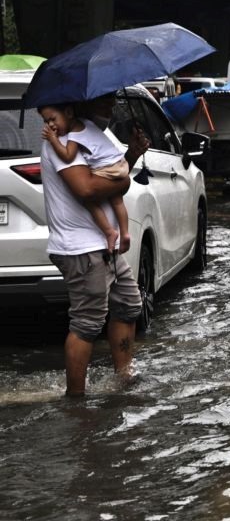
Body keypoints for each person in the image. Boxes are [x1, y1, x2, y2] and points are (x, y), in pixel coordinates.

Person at [41, 93, 150, 397]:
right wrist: (125, 179)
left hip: (105, 245)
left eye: (113, 99)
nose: (110, 106)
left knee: (128, 305)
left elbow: (109, 174)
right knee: (87, 323)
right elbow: (87, 189)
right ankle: (75, 399)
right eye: (104, 100)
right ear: (78, 103)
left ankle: (123, 381)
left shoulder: (92, 135)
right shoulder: (64, 140)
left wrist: (131, 155)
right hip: (81, 249)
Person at [39, 103, 131, 254]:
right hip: (119, 164)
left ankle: (109, 231)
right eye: (46, 122)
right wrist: (124, 182)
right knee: (117, 199)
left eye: (52, 119)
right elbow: (116, 183)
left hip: (91, 247)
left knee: (88, 201)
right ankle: (125, 232)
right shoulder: (90, 126)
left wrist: (53, 139)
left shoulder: (71, 134)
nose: (50, 126)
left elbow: (68, 157)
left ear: (69, 112)